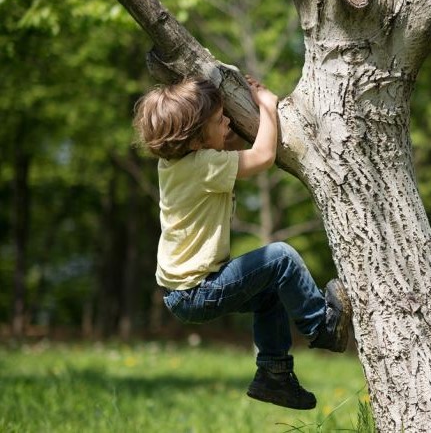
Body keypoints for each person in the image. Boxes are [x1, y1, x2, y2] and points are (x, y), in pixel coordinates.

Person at [133, 75, 351, 410]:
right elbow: (262, 156)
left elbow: (230, 143)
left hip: (182, 293)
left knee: (270, 293)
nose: (229, 123)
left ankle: (274, 374)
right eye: (220, 120)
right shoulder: (204, 165)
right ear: (196, 141)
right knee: (281, 257)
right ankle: (322, 326)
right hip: (198, 290)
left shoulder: (174, 164)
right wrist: (268, 107)